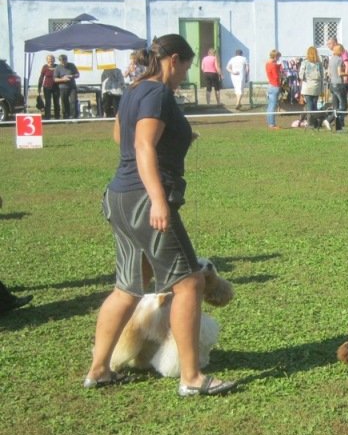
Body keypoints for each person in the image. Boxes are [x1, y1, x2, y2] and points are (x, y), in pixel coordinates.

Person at [84, 34, 236, 397]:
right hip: (143, 198)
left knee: (127, 287)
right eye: (186, 66)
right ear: (173, 60)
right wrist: (158, 200)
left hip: (119, 195)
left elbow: (120, 134)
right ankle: (192, 378)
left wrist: (179, 139)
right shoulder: (157, 93)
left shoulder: (135, 89)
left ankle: (99, 369)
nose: (185, 73)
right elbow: (141, 144)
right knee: (190, 283)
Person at [298, 46, 324, 126]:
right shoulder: (319, 64)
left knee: (309, 105)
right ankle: (316, 122)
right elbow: (322, 76)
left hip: (307, 87)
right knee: (314, 104)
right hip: (316, 87)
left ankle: (310, 123)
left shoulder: (304, 63)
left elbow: (300, 76)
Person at [54, 54, 80, 119]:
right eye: (61, 61)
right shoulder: (58, 68)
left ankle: (74, 117)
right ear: (59, 61)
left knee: (73, 101)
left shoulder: (72, 65)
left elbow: (77, 74)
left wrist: (72, 76)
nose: (63, 63)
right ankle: (66, 116)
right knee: (64, 102)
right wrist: (63, 79)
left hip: (72, 87)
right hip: (63, 87)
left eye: (64, 61)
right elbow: (55, 79)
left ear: (66, 60)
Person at [328, 44, 347, 132]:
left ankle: (338, 128)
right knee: (344, 106)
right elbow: (340, 73)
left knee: (336, 107)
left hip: (332, 84)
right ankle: (328, 120)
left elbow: (329, 73)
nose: (343, 51)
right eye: (342, 50)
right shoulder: (339, 59)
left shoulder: (331, 59)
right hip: (338, 84)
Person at [37, 54, 60, 120]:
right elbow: (41, 77)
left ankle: (57, 116)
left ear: (54, 60)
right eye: (49, 59)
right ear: (47, 60)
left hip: (56, 87)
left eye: (52, 59)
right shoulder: (45, 67)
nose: (50, 60)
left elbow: (61, 75)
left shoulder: (57, 66)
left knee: (56, 102)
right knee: (48, 102)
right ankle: (47, 116)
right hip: (47, 87)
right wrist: (39, 87)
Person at [265, 49, 282, 129]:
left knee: (270, 106)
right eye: (278, 57)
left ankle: (270, 123)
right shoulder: (273, 65)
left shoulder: (268, 64)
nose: (278, 59)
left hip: (270, 85)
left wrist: (278, 66)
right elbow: (276, 76)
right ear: (275, 56)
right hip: (275, 86)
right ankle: (272, 124)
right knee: (273, 106)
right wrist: (280, 74)